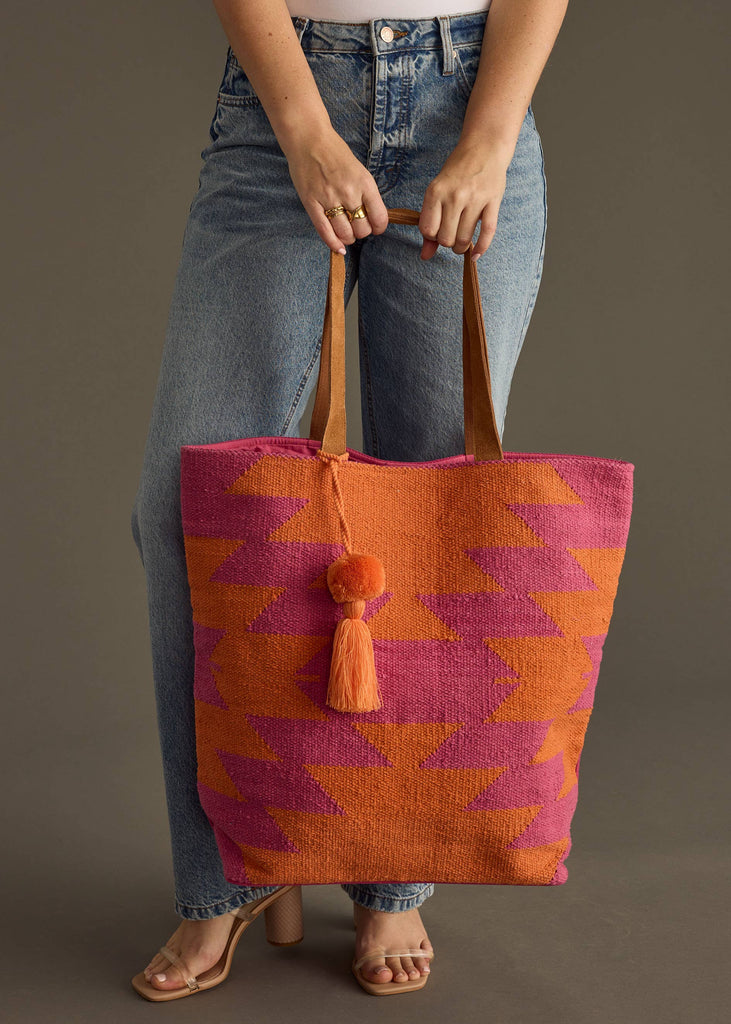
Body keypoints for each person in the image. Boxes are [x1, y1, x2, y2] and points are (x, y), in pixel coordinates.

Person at [129, 0, 569, 1000]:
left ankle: (392, 876)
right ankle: (230, 872)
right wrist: (302, 128)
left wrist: (491, 136)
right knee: (184, 510)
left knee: (430, 520)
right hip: (281, 98)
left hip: (471, 98)